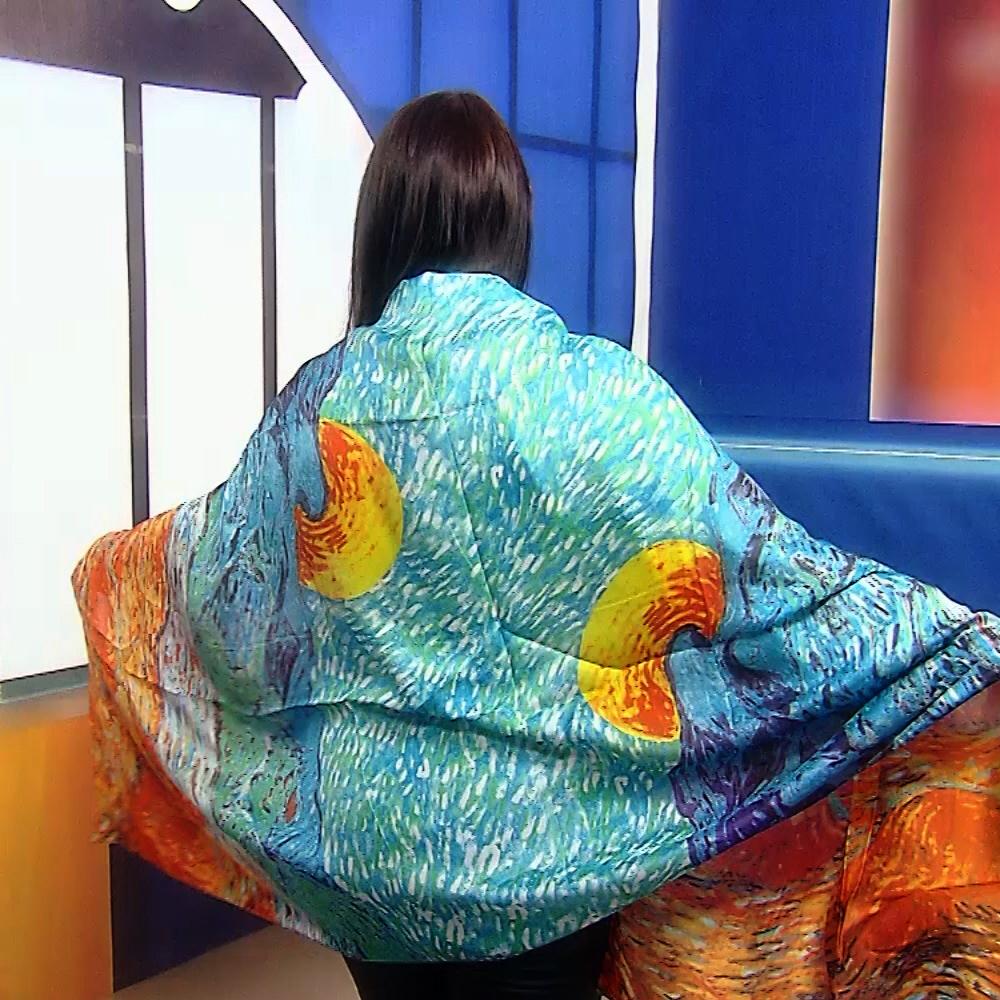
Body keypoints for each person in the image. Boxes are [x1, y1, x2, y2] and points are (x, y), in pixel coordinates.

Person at [74, 91, 1000, 1000]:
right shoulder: (598, 397)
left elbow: (215, 583)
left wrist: (109, 572)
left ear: (382, 225)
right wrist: (945, 642)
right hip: (541, 857)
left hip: (363, 854)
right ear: (513, 226)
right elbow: (760, 578)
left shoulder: (317, 405)